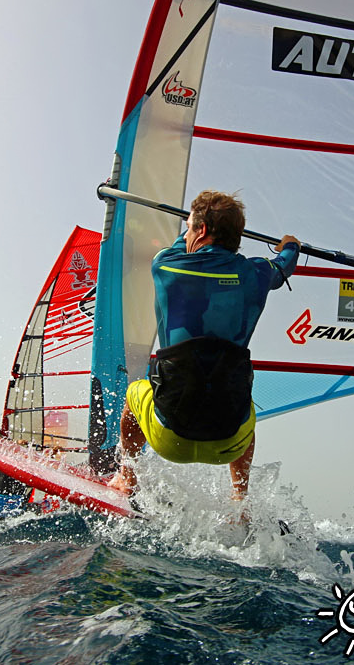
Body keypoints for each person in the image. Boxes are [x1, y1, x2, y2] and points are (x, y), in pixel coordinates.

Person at [106, 190, 299, 505]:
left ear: (202, 230)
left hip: (170, 439)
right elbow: (284, 264)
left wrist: (191, 225)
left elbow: (184, 245)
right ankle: (240, 500)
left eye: (192, 225)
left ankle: (127, 477)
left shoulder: (165, 266)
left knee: (133, 395)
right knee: (245, 404)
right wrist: (291, 244)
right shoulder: (256, 274)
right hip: (229, 443)